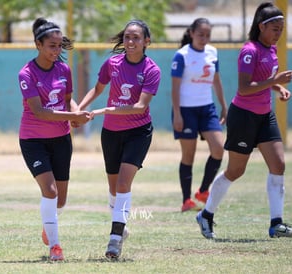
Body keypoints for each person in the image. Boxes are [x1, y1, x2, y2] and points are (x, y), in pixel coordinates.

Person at [196, 2, 292, 239]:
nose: (278, 34)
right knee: (236, 170)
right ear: (261, 27)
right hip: (243, 116)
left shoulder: (271, 49)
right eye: (275, 29)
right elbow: (244, 87)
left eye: (281, 29)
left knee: (279, 164)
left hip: (264, 115)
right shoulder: (250, 50)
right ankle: (206, 215)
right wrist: (274, 81)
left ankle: (276, 224)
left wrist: (277, 87)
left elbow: (265, 79)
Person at [77, 19, 161, 259]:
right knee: (114, 188)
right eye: (127, 37)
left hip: (138, 132)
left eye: (136, 37)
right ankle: (121, 227)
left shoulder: (151, 69)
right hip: (111, 133)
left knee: (124, 184)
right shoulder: (112, 63)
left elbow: (139, 106)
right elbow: (97, 89)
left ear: (146, 41)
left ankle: (114, 239)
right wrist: (79, 111)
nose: (130, 41)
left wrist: (106, 111)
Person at [18, 17, 91, 261]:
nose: (57, 50)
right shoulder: (26, 73)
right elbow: (39, 111)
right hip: (33, 140)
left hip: (61, 138)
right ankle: (55, 247)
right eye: (52, 45)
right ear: (38, 44)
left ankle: (48, 225)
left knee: (60, 199)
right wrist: (73, 114)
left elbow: (68, 99)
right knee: (49, 191)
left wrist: (76, 113)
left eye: (60, 45)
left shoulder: (64, 69)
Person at [171, 18, 228, 212]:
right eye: (200, 34)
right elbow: (175, 88)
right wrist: (177, 114)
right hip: (186, 110)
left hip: (207, 108)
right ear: (192, 33)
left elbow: (217, 81)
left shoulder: (213, 52)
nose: (204, 38)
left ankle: (203, 191)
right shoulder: (182, 55)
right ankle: (186, 200)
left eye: (207, 35)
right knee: (189, 155)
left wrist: (223, 105)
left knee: (219, 148)